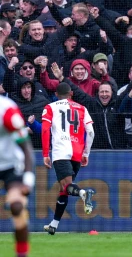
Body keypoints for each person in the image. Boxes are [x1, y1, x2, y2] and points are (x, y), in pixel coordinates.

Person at [42, 82, 95, 235]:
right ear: (71, 93)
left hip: (61, 151)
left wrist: (46, 154)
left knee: (66, 187)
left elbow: (45, 130)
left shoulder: (50, 107)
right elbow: (91, 132)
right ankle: (54, 225)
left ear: (56, 94)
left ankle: (84, 193)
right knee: (64, 190)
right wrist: (86, 153)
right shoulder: (82, 108)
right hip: (77, 152)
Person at [0, 95, 35, 257]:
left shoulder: (7, 111)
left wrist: (28, 180)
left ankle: (22, 253)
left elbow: (26, 148)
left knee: (16, 206)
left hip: (11, 165)